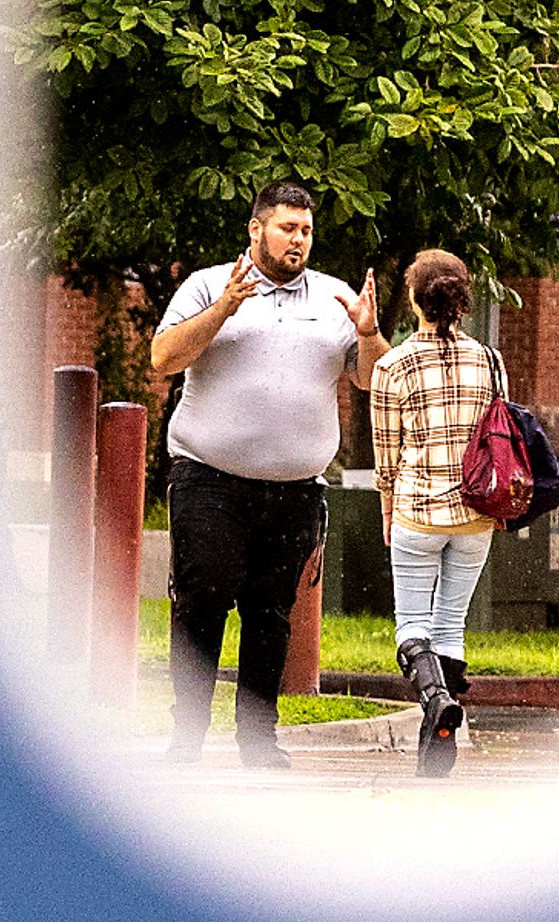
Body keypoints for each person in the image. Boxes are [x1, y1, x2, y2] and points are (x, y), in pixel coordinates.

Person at [148, 179, 381, 769]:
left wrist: (369, 333)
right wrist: (224, 309)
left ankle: (258, 737)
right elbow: (163, 358)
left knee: (271, 611)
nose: (298, 240)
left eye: (305, 230)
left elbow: (369, 380)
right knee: (200, 602)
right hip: (208, 479)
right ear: (256, 230)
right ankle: (187, 735)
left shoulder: (335, 299)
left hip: (295, 490)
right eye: (286, 228)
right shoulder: (207, 285)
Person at [364, 249, 498, 777]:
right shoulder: (490, 360)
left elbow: (385, 455)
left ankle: (439, 705)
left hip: (417, 511)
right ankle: (436, 746)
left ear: (415, 300)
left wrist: (386, 513)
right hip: (475, 515)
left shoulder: (391, 365)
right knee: (450, 625)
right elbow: (498, 437)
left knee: (411, 629)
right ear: (462, 298)